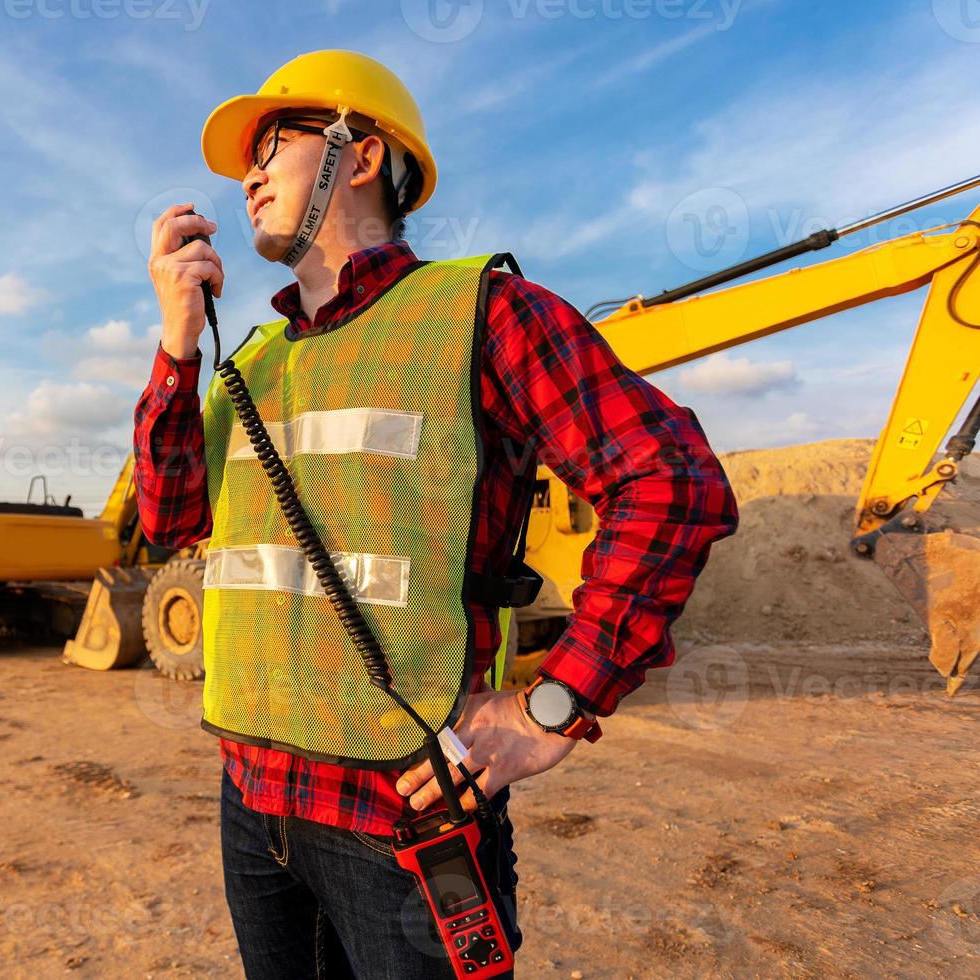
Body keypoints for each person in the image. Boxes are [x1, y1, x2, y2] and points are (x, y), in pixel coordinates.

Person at [133, 50, 739, 979]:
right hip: (253, 807)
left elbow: (670, 481)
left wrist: (553, 704)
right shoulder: (244, 359)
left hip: (403, 819)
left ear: (360, 153)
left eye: (274, 143)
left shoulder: (484, 313)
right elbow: (171, 517)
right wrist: (178, 342)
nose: (247, 173)